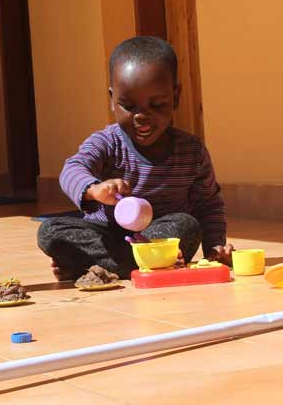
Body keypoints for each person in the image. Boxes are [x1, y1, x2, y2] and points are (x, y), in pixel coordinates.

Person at [37, 36, 233, 280]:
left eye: (157, 104)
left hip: (156, 238)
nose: (141, 116)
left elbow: (209, 204)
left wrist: (215, 247)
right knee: (50, 231)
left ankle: (94, 265)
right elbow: (72, 168)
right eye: (128, 106)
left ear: (176, 96)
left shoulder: (191, 151)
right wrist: (94, 189)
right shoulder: (107, 142)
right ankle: (132, 265)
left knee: (187, 225)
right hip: (106, 235)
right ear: (112, 100)